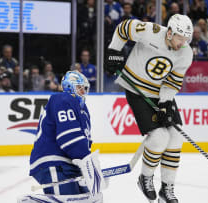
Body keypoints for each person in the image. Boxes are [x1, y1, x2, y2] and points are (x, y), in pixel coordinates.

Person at [105, 14, 194, 203]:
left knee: (176, 135)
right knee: (159, 137)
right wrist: (114, 50)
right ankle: (145, 177)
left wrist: (165, 104)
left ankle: (167, 188)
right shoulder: (150, 31)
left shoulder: (186, 53)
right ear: (169, 32)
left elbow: (171, 83)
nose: (182, 42)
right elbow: (123, 28)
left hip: (159, 92)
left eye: (186, 39)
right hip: (135, 89)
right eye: (179, 37)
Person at [20, 71, 106, 203]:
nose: (83, 91)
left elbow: (84, 143)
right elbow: (69, 138)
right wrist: (87, 163)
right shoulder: (63, 99)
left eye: (85, 88)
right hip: (54, 161)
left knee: (89, 199)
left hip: (68, 165)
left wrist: (88, 167)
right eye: (79, 87)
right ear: (69, 87)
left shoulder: (83, 110)